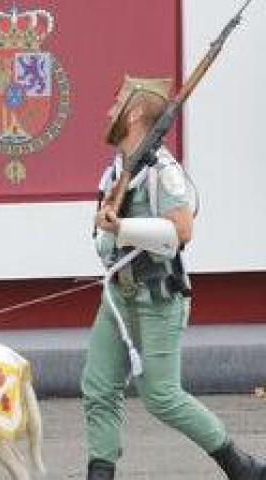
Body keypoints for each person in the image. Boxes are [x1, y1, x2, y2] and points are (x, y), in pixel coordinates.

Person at [82, 75, 266, 480]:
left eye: (116, 104)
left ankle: (241, 466)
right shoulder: (118, 170)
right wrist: (109, 232)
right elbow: (105, 238)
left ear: (134, 113)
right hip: (119, 296)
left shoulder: (162, 171)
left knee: (162, 395)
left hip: (158, 297)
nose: (109, 112)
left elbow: (181, 231)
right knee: (98, 386)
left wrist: (121, 228)